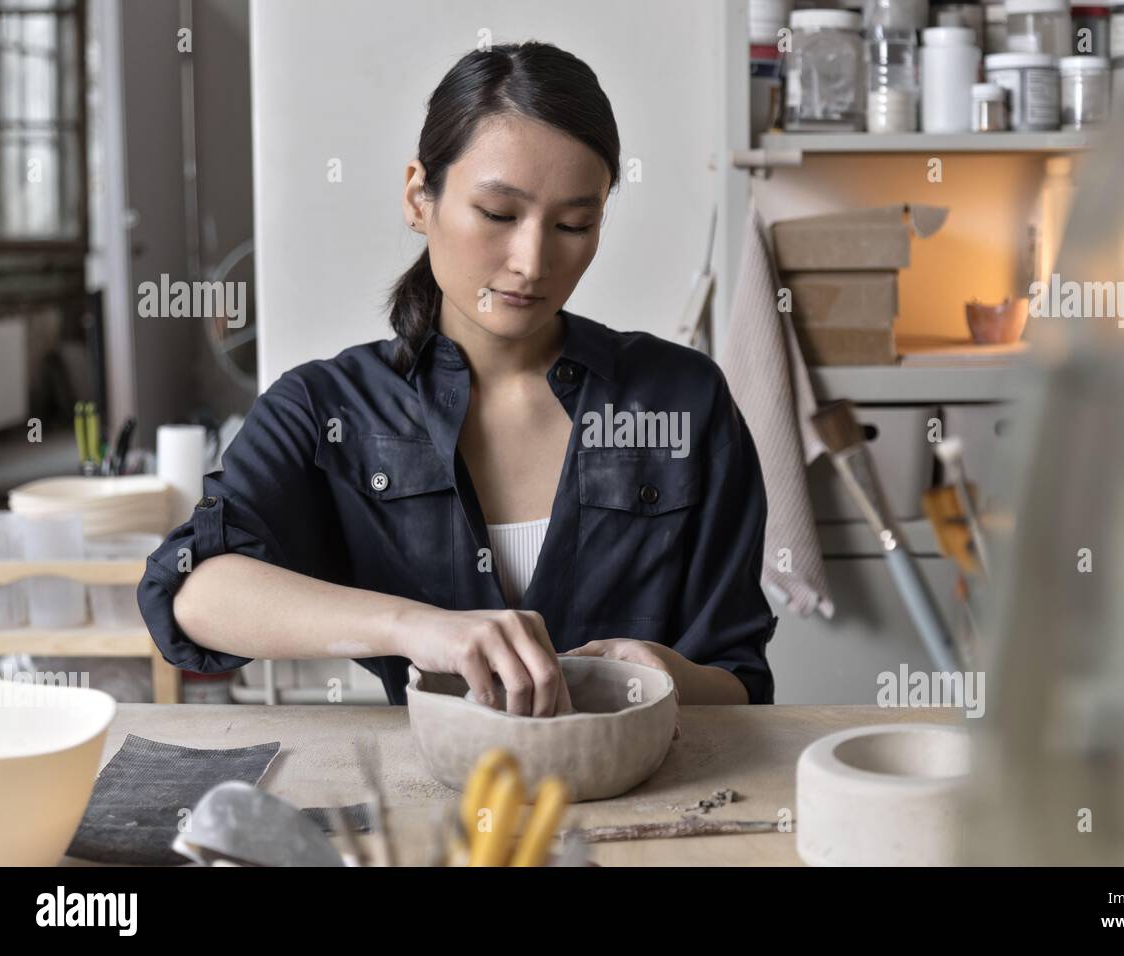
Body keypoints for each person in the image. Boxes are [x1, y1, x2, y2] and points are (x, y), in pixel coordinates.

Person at [137, 41, 777, 716]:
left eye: (573, 223)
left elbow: (740, 681)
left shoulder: (681, 399)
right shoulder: (326, 407)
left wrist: (663, 673)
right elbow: (191, 593)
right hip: (435, 803)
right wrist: (416, 628)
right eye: (499, 215)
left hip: (653, 800)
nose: (532, 261)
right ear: (420, 198)